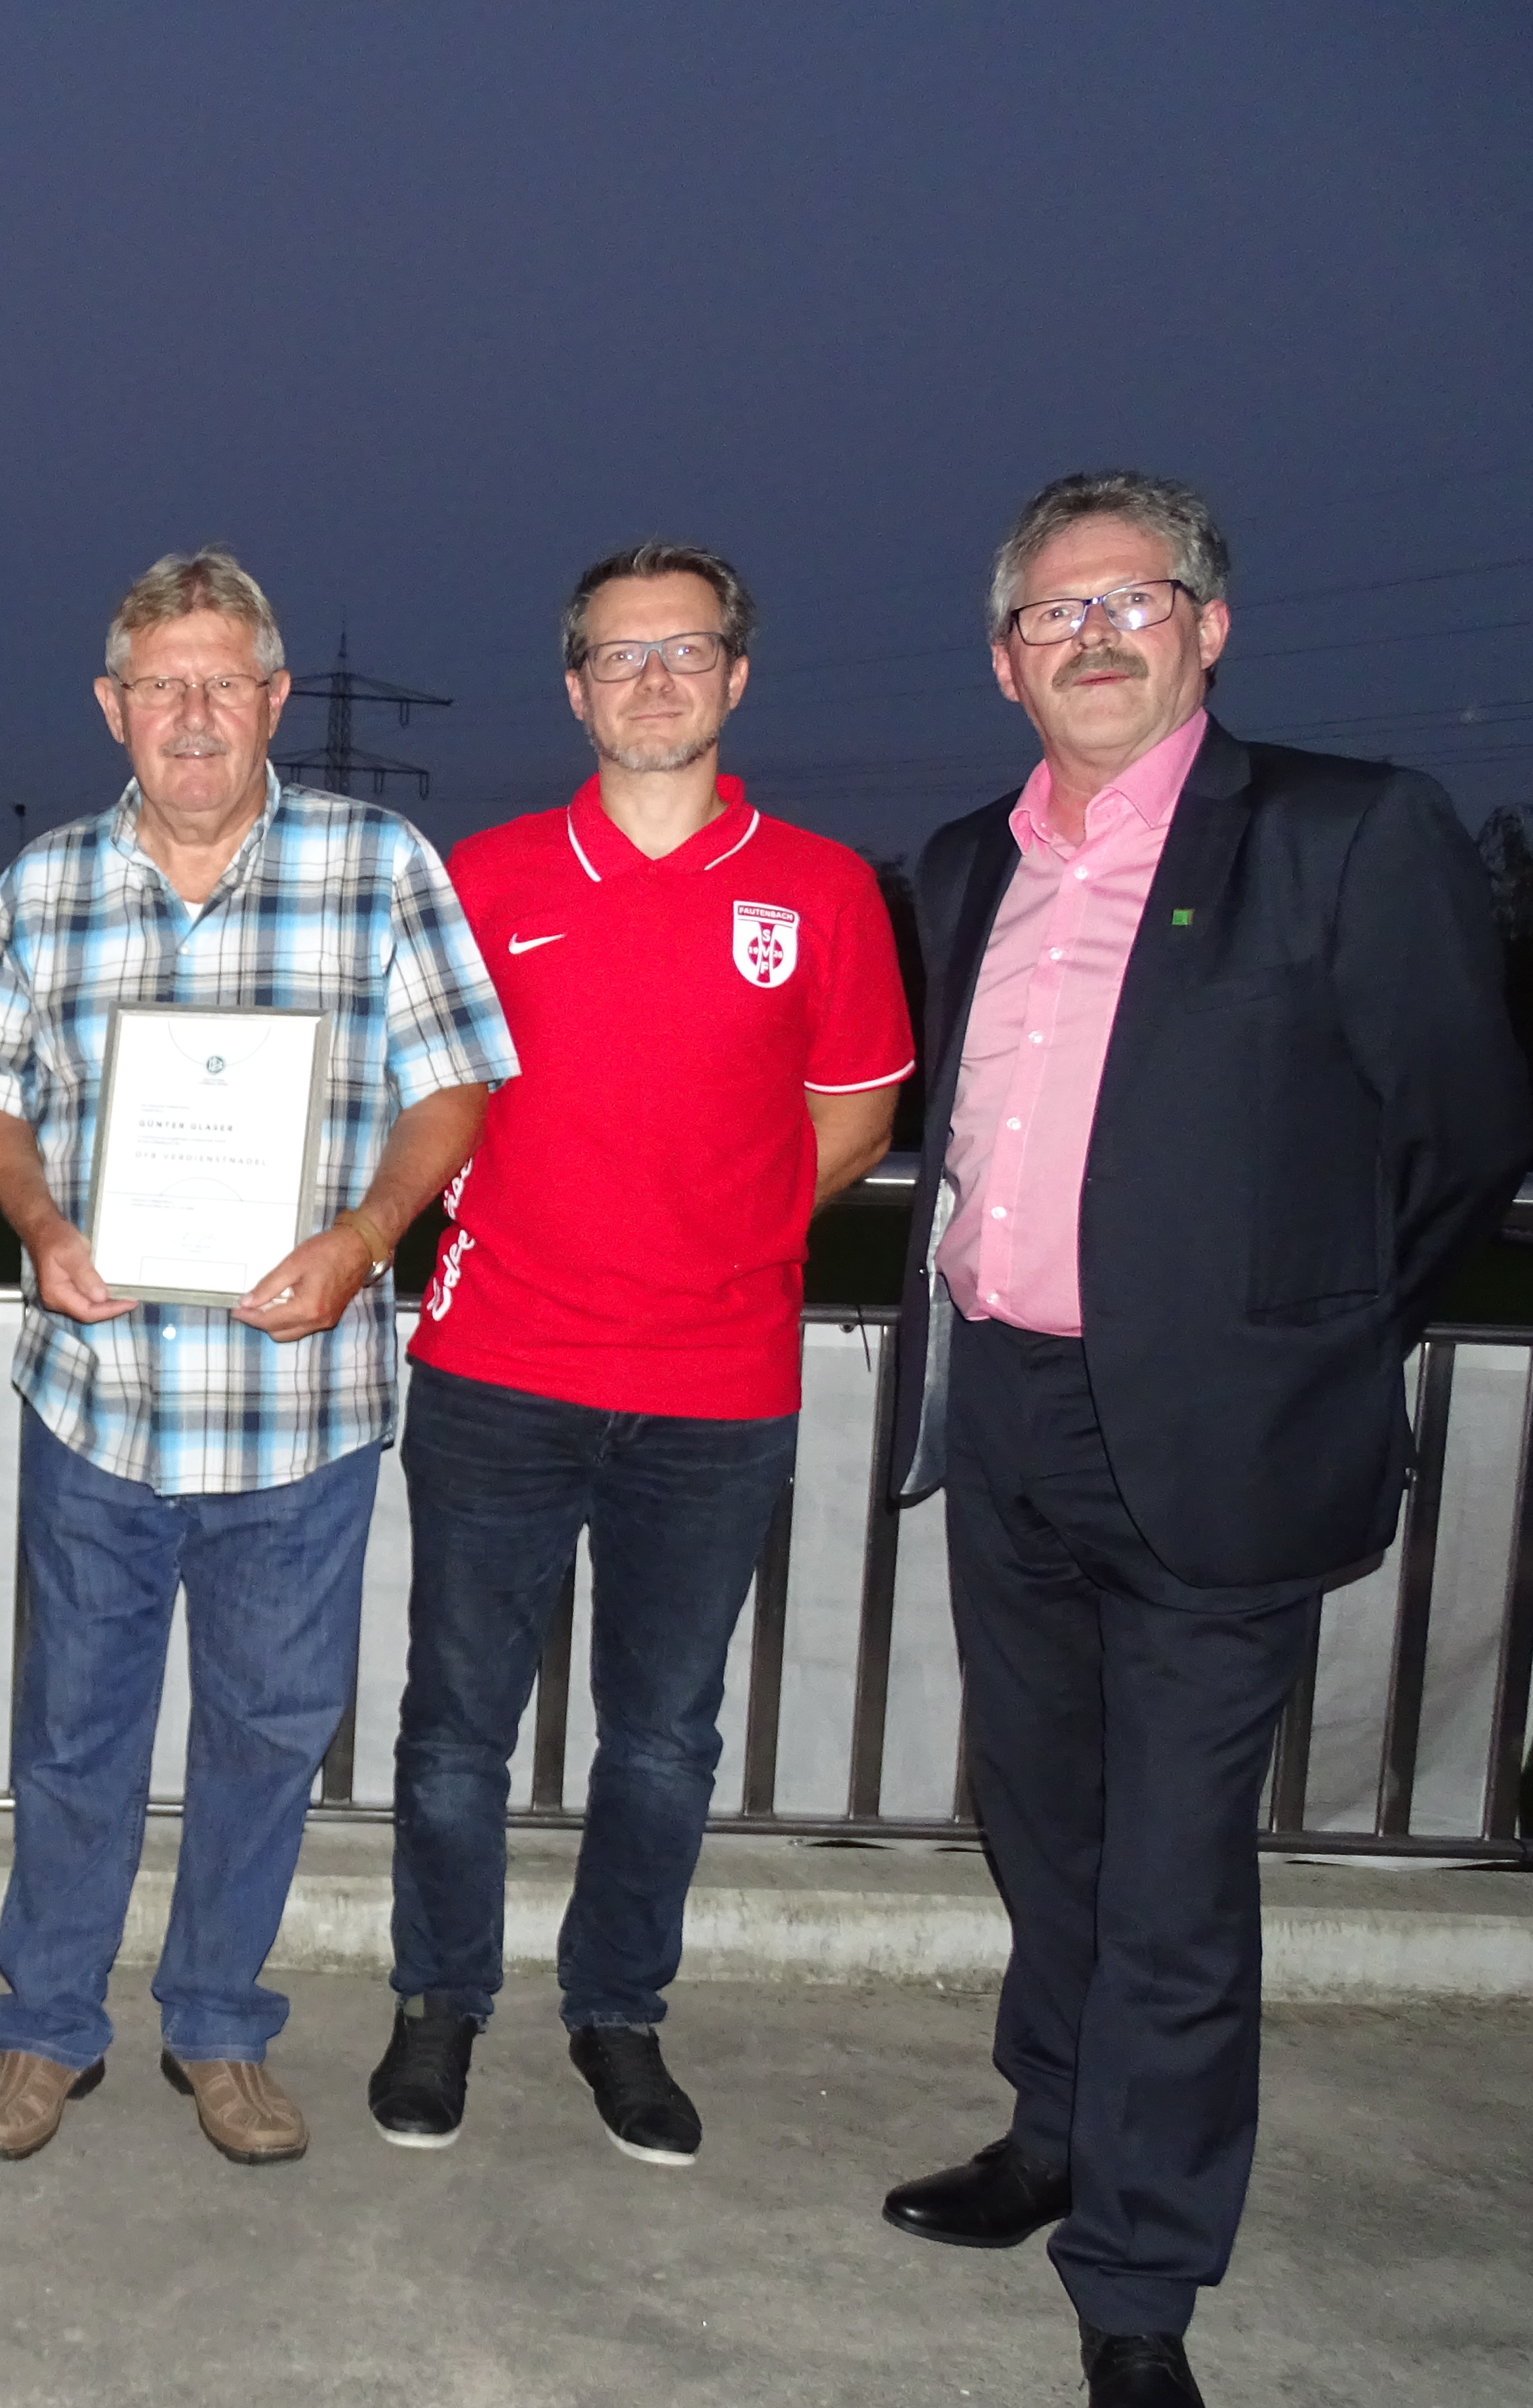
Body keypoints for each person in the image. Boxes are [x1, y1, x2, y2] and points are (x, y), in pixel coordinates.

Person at [879, 472, 1528, 2408]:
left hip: (1219, 1447)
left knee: (1172, 1877)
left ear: (1209, 628)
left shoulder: (1344, 831)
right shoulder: (965, 862)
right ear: (1005, 661)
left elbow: (1461, 1132)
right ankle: (1056, 2132)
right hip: (1009, 1417)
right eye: (1051, 616)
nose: (1091, 639)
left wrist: (1294, 1334)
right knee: (1046, 1822)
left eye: (1132, 602)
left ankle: (1142, 2292)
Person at [0, 548, 516, 2168]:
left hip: (297, 1413)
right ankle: (46, 2029)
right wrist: (38, 1220)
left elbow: (455, 1085)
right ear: (110, 706)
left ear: (275, 700)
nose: (191, 714)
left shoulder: (377, 862)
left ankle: (217, 2025)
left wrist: (367, 1238)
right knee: (74, 1742)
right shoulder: (46, 885)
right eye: (160, 685)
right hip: (103, 1404)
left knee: (268, 1737)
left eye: (223, 682)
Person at [378, 543, 912, 2165]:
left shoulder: (823, 889)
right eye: (620, 655)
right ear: (575, 689)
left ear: (736, 675)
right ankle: (440, 2001)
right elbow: (421, 1095)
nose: (655, 679)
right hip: (498, 1369)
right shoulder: (488, 877)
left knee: (666, 1738)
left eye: (686, 650)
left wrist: (722, 1230)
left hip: (715, 1387)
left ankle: (618, 2012)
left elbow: (857, 1111)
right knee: (455, 1726)